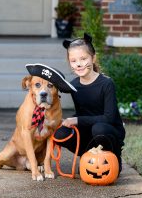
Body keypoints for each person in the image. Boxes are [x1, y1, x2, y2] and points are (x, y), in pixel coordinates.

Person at [54, 33, 126, 172]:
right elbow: (83, 113)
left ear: (93, 58)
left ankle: (114, 157)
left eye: (83, 58)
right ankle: (87, 155)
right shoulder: (74, 86)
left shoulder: (106, 83)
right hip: (87, 131)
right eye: (73, 61)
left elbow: (109, 118)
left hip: (108, 129)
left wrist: (77, 120)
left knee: (99, 129)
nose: (79, 64)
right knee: (59, 134)